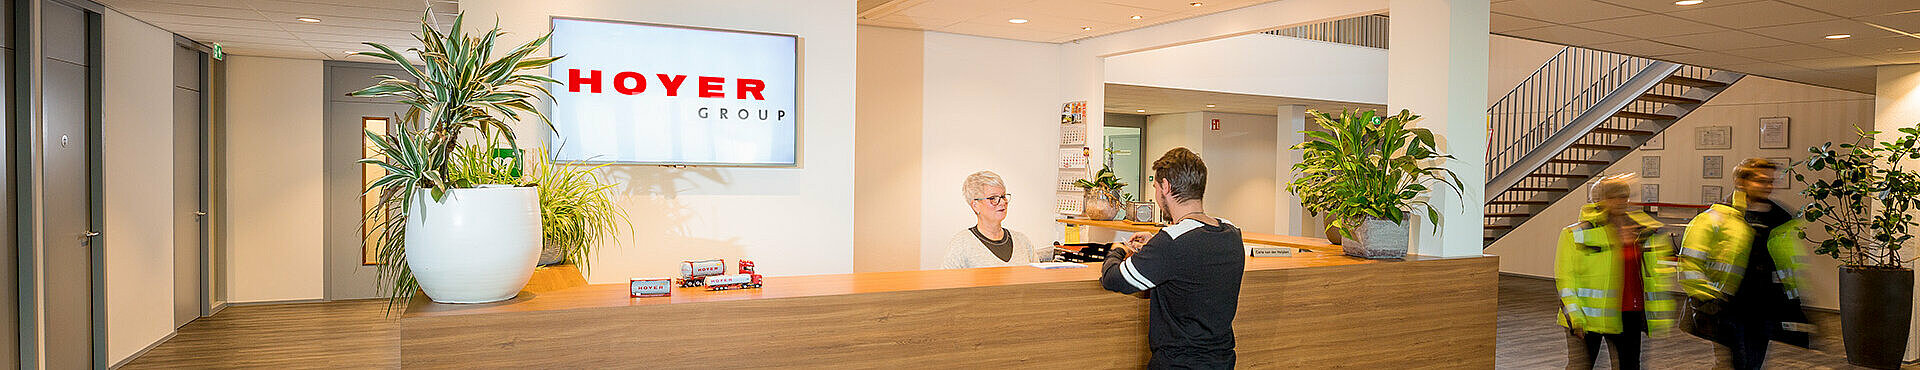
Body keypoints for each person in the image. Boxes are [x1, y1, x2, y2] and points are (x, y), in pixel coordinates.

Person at [1099, 148, 1245, 369]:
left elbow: (1114, 279)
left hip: (1179, 363)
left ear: (1165, 186)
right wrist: (1156, 245)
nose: (1157, 196)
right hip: (1222, 361)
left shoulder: (1171, 242)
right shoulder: (1231, 233)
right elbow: (1192, 261)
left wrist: (1117, 249)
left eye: (1156, 188)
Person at [1678, 158, 1815, 370]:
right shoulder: (1717, 217)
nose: (1768, 186)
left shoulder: (1780, 219)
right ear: (1741, 182)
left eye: (1771, 181)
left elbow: (1788, 266)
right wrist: (1709, 299)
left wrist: (1793, 302)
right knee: (1736, 363)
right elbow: (1690, 264)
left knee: (1752, 363)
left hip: (1764, 309)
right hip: (1728, 308)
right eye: (1761, 181)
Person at [1554, 174, 1677, 370]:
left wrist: (1657, 315)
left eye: (1624, 196)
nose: (1620, 201)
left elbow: (1655, 275)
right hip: (1588, 318)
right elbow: (1567, 279)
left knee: (1629, 366)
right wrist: (1575, 316)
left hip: (1629, 315)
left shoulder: (1643, 231)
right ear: (1599, 200)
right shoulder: (1577, 234)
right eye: (1613, 196)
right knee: (1581, 367)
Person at [941, 171, 1051, 269]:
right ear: (975, 206)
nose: (1002, 202)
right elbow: (946, 286)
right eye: (993, 198)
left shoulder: (1022, 241)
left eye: (1003, 196)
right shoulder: (961, 244)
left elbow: (1037, 281)